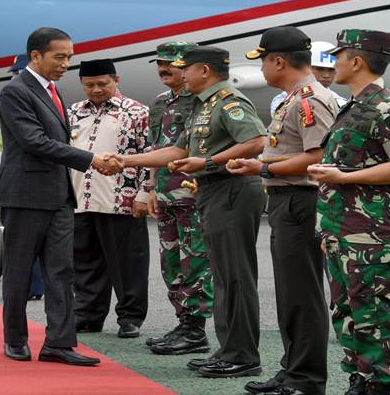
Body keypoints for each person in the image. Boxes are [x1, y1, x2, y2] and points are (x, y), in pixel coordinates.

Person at [119, 45, 268, 379]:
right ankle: (230, 350)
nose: (180, 73)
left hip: (232, 191)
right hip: (214, 192)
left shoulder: (229, 101)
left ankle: (243, 356)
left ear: (204, 70)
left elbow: (257, 140)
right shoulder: (206, 105)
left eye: (186, 68)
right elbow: (176, 149)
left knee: (234, 277)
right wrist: (125, 162)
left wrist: (209, 162)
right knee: (225, 278)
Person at [0, 27, 121, 366]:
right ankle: (16, 339)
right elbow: (33, 141)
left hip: (59, 196)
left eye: (69, 57)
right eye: (59, 57)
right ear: (36, 56)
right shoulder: (15, 91)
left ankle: (59, 343)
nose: (66, 64)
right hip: (24, 196)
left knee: (62, 272)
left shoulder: (53, 90)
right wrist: (92, 159)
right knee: (19, 272)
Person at [308, 29, 390, 395]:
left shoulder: (387, 107)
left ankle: (380, 381)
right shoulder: (355, 105)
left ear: (356, 60)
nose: (334, 62)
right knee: (347, 307)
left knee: (375, 309)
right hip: (344, 228)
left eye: (339, 54)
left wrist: (344, 175)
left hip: (374, 231)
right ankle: (362, 375)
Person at [226, 26, 336, 395]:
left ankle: (305, 379)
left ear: (278, 61)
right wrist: (260, 162)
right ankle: (293, 371)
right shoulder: (296, 97)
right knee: (291, 293)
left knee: (302, 293)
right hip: (287, 201)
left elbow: (317, 156)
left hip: (300, 201)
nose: (263, 70)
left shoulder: (309, 99)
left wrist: (264, 168)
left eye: (263, 61)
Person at [68, 59, 151, 338]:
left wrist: (145, 192)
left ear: (116, 80)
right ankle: (88, 314)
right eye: (89, 85)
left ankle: (130, 317)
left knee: (128, 263)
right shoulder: (73, 112)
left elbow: (150, 154)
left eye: (102, 83)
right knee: (85, 261)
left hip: (121, 199)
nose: (96, 90)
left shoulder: (137, 112)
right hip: (81, 198)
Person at [144, 42, 214, 355]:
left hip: (193, 195)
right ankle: (183, 321)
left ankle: (196, 329)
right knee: (171, 263)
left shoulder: (203, 101)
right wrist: (149, 188)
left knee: (195, 262)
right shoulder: (159, 103)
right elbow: (154, 149)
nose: (164, 68)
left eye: (171, 63)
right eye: (160, 62)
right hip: (165, 194)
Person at [8, 53, 45, 301]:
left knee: (30, 243)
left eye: (18, 71)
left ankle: (34, 287)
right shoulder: (16, 94)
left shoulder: (36, 99)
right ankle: (34, 287)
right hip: (26, 179)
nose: (14, 76)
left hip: (37, 181)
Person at [270, 40, 346, 115]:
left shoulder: (341, 104)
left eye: (331, 70)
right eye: (320, 69)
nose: (326, 75)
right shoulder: (282, 101)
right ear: (306, 68)